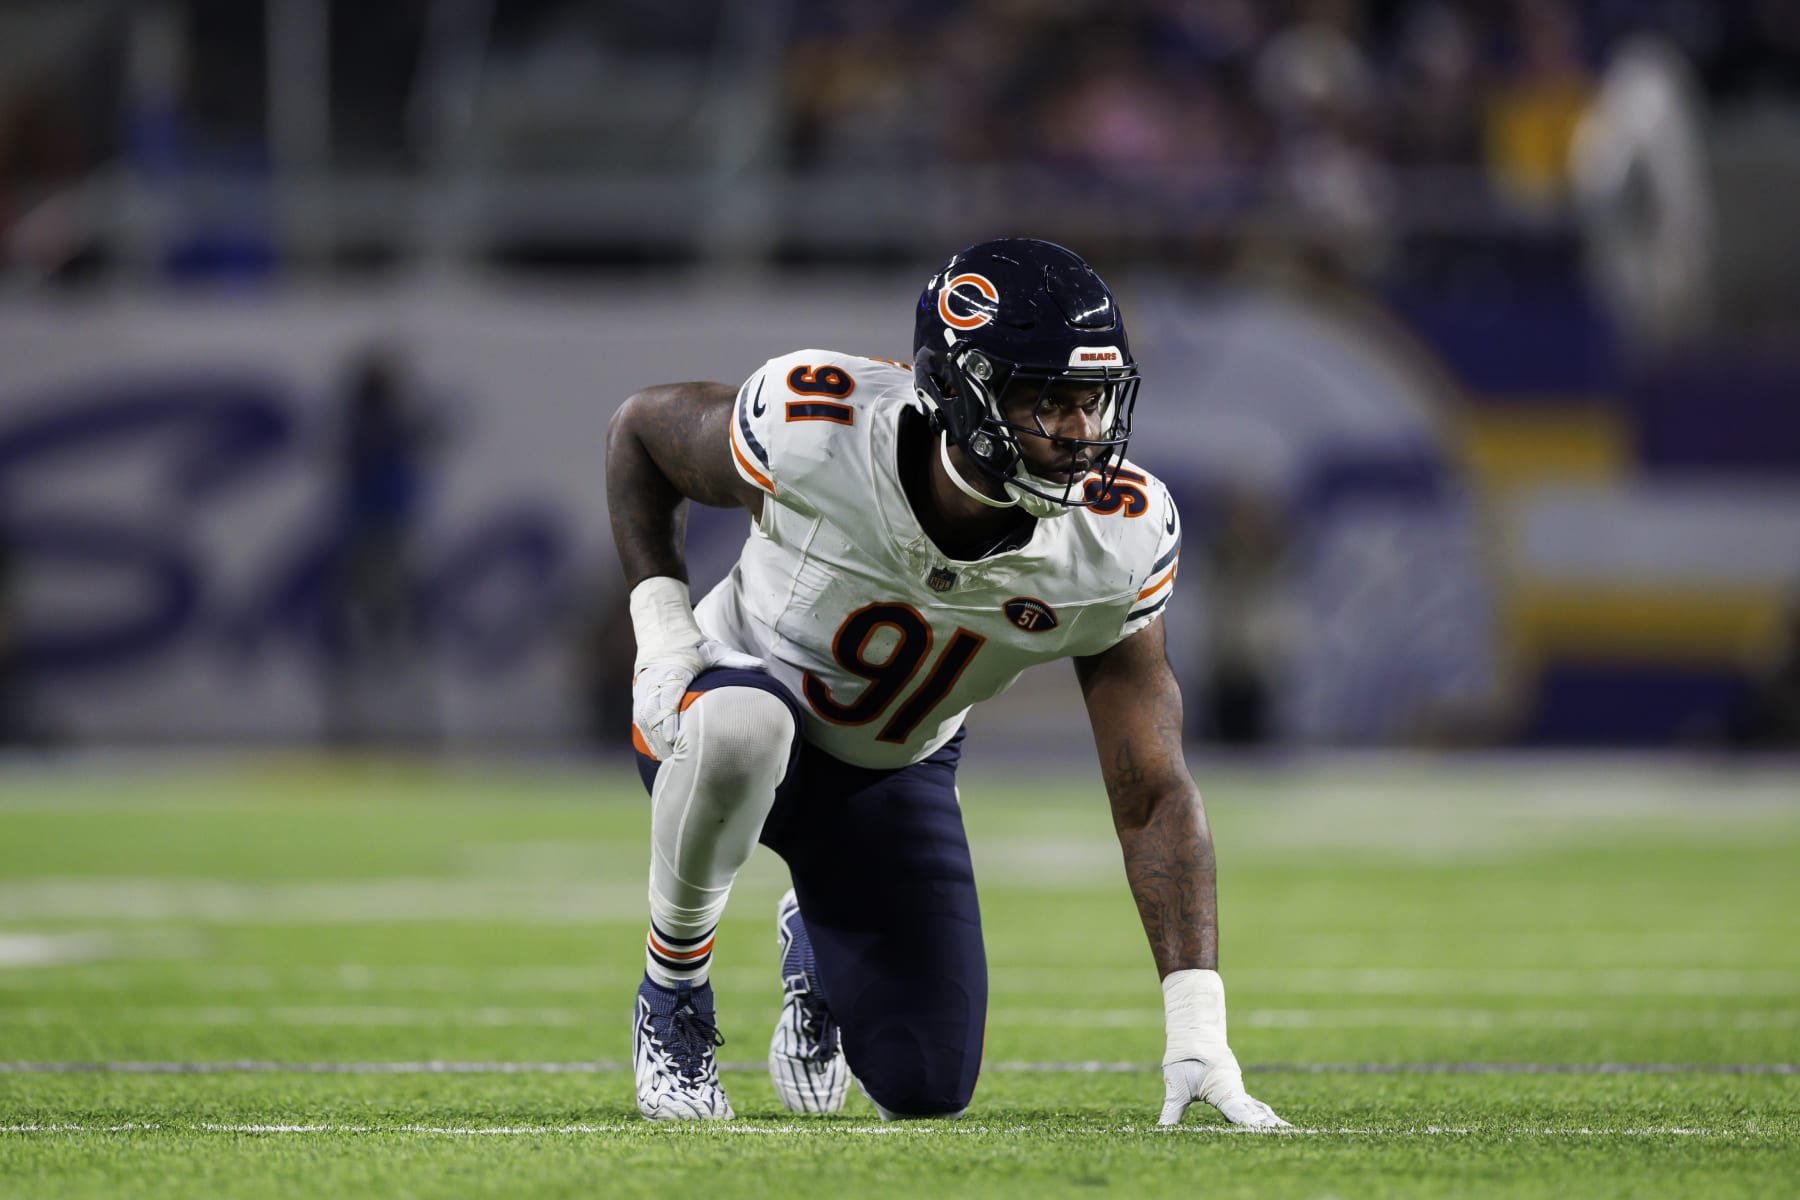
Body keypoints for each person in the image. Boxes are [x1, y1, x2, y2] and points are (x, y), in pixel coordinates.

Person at [606, 238, 1285, 1127]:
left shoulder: (1115, 542)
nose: (1078, 431)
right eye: (1046, 398)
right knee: (745, 725)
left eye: (1092, 400)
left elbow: (1153, 790)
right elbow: (642, 435)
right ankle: (673, 998)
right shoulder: (823, 429)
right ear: (959, 389)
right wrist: (663, 643)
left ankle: (816, 939)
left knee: (927, 1084)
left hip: (891, 768)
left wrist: (1199, 1030)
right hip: (718, 708)